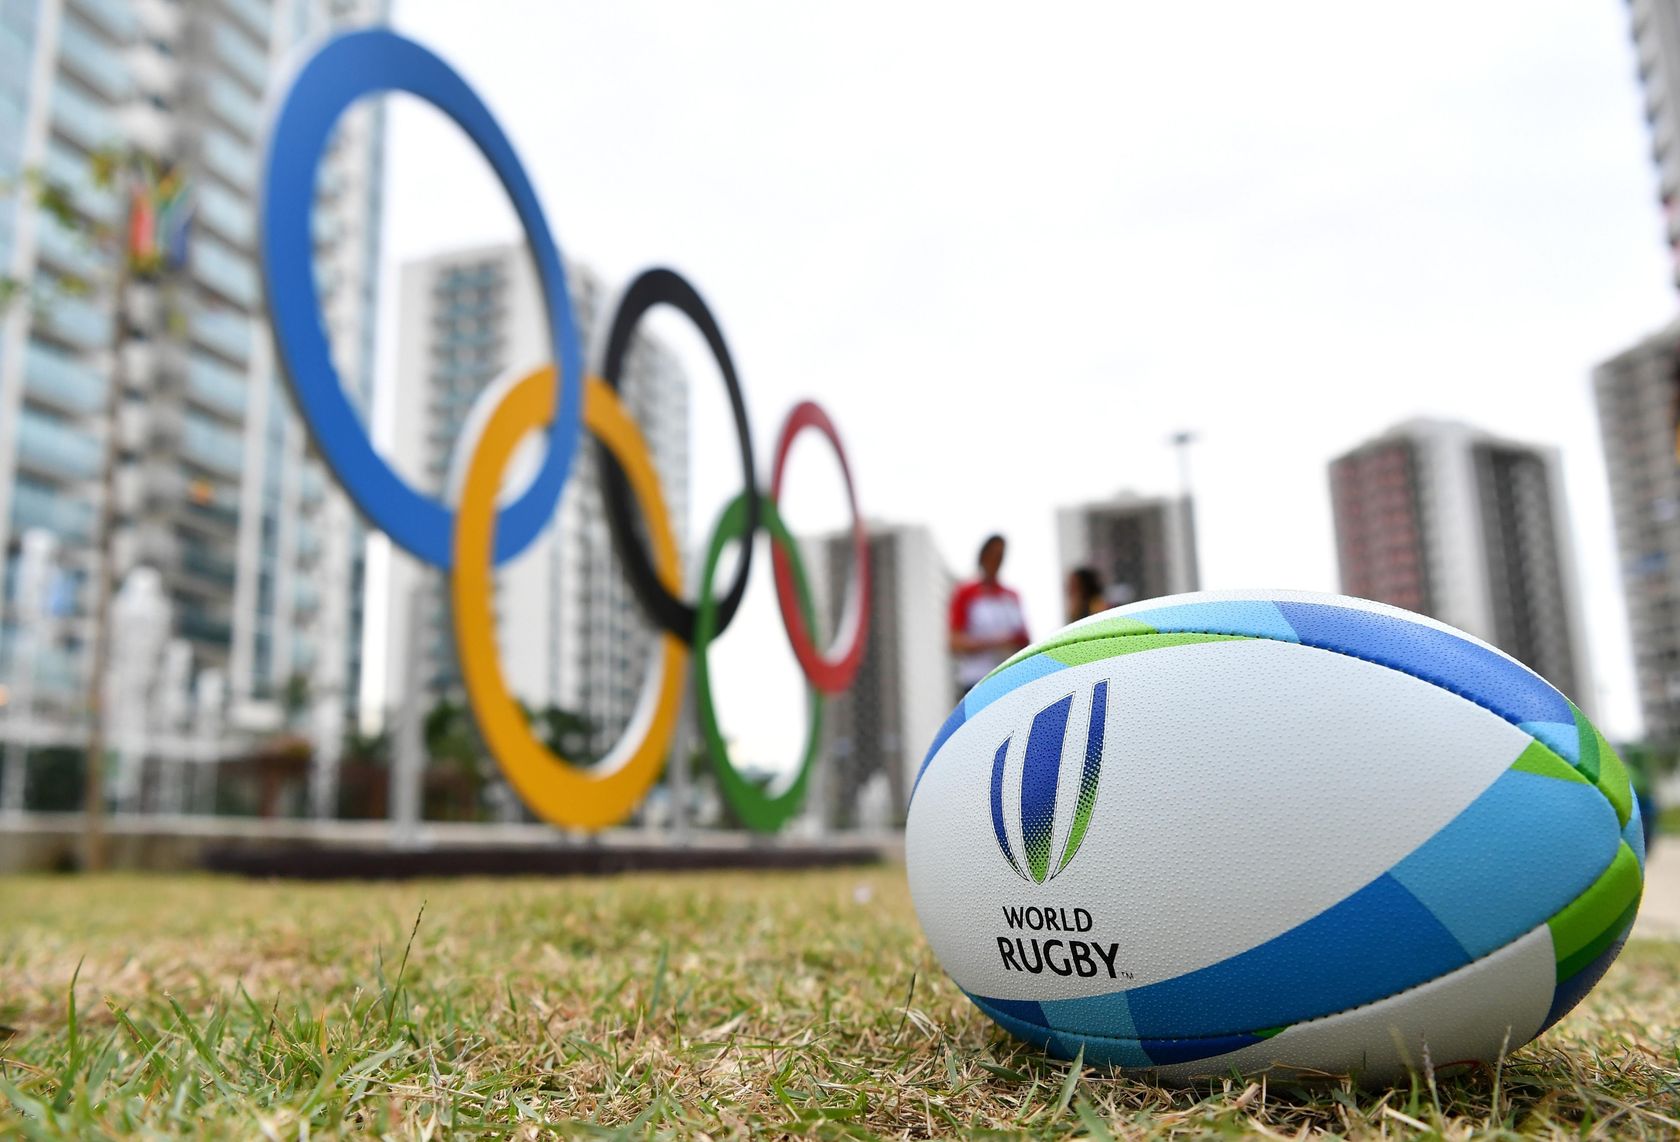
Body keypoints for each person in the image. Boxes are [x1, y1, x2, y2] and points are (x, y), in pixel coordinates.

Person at [949, 534, 1030, 696]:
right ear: (983, 556)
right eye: (993, 554)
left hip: (1010, 680)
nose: (997, 560)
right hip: (976, 682)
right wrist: (997, 642)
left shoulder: (1011, 596)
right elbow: (955, 643)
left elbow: (1025, 640)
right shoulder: (965, 593)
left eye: (1001, 555)